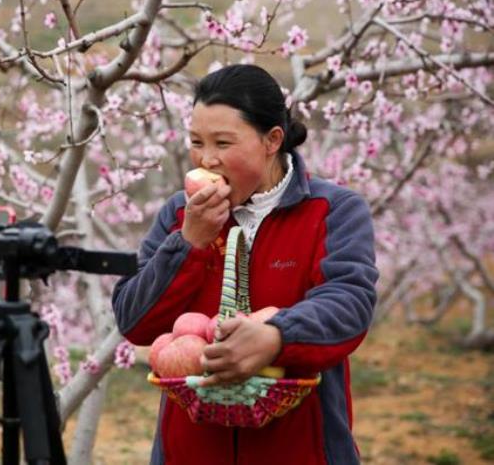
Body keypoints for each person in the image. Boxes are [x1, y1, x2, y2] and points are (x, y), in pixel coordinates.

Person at [112, 64, 378, 465]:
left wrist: (277, 336)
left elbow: (350, 303)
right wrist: (189, 244)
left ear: (272, 140)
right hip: (188, 452)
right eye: (196, 142)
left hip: (302, 451)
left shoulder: (332, 210)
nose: (207, 159)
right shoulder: (180, 215)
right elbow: (134, 321)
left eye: (223, 142)